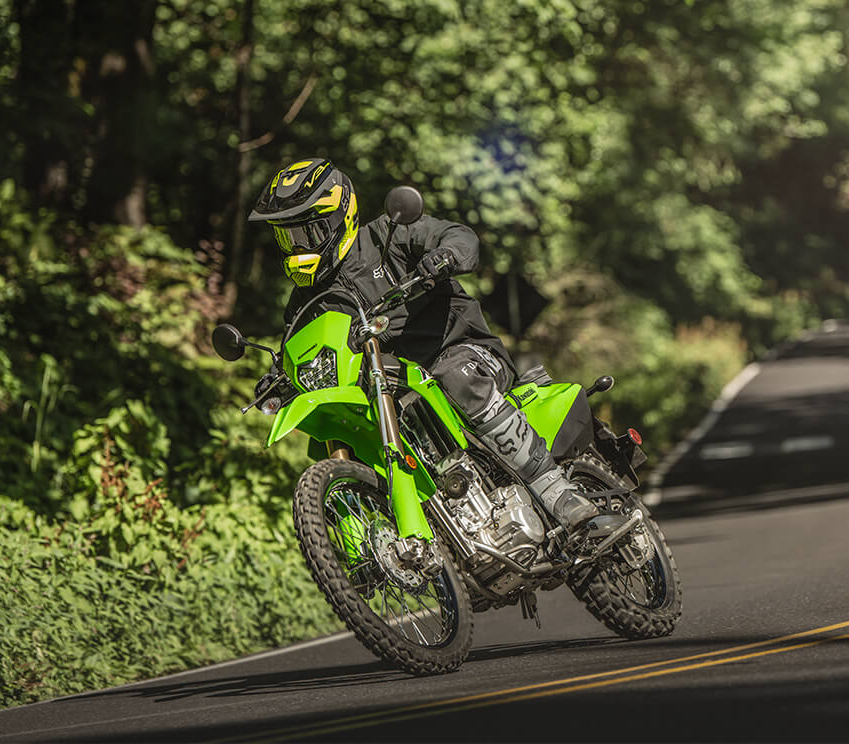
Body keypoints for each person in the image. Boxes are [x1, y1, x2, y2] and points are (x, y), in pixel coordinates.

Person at [248, 157, 599, 532]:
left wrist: (444, 256)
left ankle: (557, 490)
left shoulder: (390, 234)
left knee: (454, 375)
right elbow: (295, 345)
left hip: (465, 352)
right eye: (287, 237)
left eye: (307, 232)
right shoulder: (306, 301)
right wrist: (276, 377)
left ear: (338, 217)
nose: (297, 245)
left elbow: (459, 236)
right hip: (393, 388)